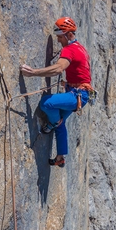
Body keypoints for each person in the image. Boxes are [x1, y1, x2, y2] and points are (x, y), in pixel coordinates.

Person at [20, 17, 93, 167]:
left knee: (46, 103)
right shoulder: (80, 48)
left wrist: (34, 72)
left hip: (77, 95)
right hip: (79, 93)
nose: (59, 41)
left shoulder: (70, 49)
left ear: (68, 35)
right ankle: (60, 157)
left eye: (60, 37)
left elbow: (59, 68)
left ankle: (53, 122)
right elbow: (80, 71)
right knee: (61, 124)